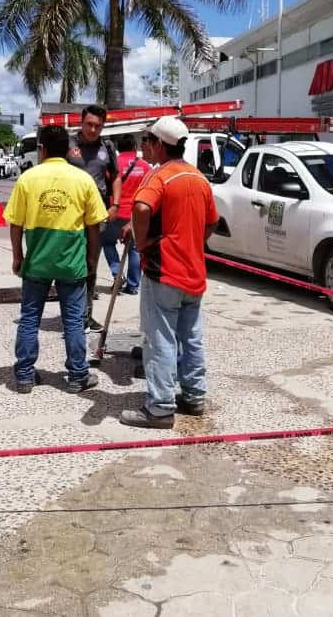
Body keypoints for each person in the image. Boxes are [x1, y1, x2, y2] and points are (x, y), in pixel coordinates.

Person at [120, 116, 219, 429]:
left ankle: (160, 407)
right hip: (194, 273)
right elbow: (213, 222)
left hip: (164, 272)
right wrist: (191, 241)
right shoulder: (199, 179)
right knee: (191, 338)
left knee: (160, 339)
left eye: (148, 141)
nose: (145, 146)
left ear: (160, 145)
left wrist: (143, 241)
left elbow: (141, 208)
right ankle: (194, 396)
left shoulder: (159, 176)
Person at [5, 125, 108, 394]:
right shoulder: (82, 179)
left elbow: (15, 223)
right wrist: (92, 259)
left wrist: (18, 256)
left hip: (37, 262)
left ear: (42, 149)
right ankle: (77, 376)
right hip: (71, 263)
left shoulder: (28, 179)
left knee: (29, 318)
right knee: (74, 320)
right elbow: (95, 225)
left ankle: (25, 375)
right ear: (68, 150)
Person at [66, 104, 120, 332]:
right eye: (89, 124)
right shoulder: (68, 145)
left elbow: (116, 176)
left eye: (98, 125)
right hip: (70, 216)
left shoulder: (107, 147)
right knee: (69, 265)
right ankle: (71, 315)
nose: (93, 129)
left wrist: (115, 204)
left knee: (91, 265)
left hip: (97, 217)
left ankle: (85, 315)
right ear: (81, 122)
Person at [103, 134, 151, 295]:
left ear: (118, 148)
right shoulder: (145, 167)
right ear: (134, 147)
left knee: (108, 242)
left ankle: (117, 273)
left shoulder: (114, 165)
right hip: (135, 215)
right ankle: (133, 285)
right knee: (134, 249)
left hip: (115, 212)